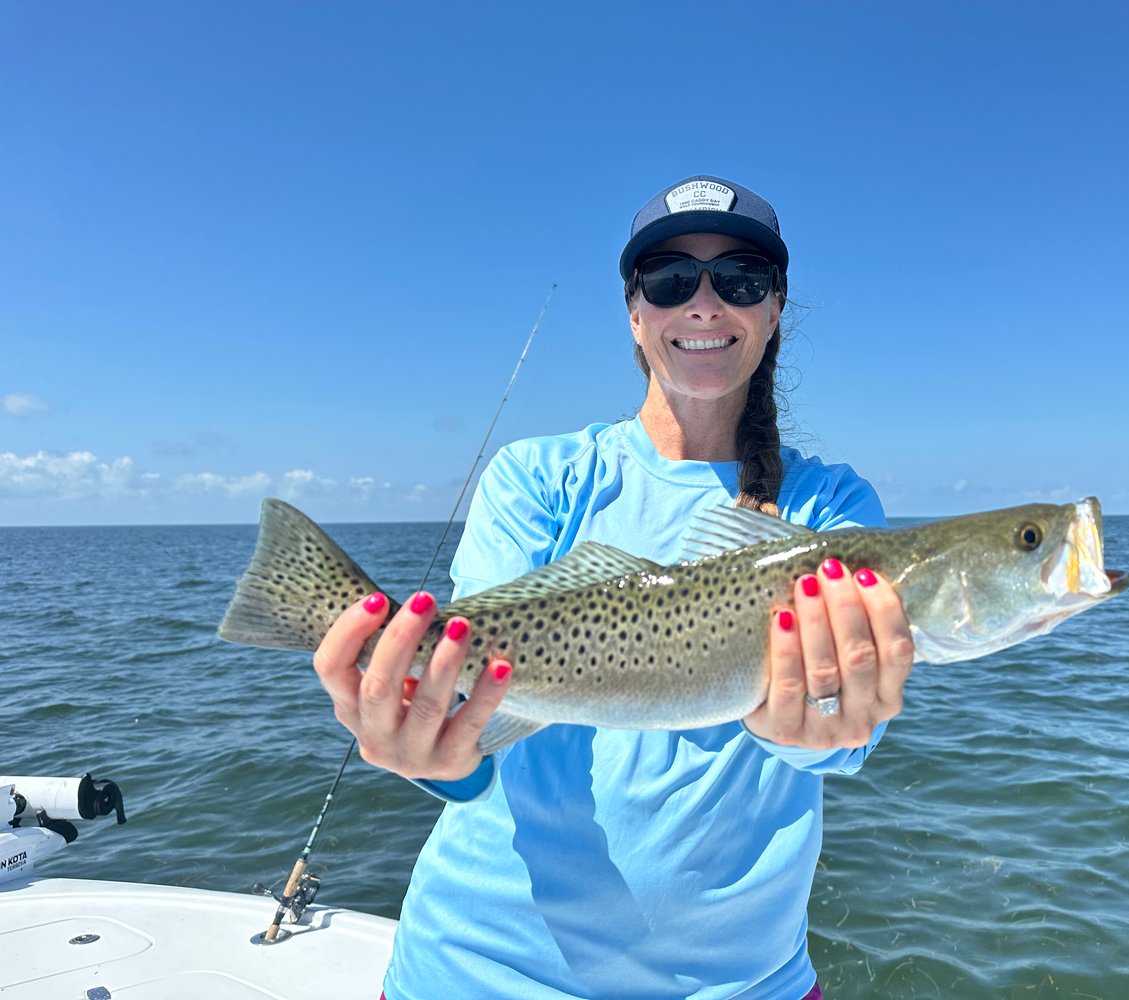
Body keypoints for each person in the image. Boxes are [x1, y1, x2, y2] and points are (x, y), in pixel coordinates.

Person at [313, 175, 916, 1000]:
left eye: (737, 280)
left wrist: (818, 731)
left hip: (741, 984)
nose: (703, 305)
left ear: (773, 311)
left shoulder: (830, 507)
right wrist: (430, 753)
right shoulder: (539, 477)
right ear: (635, 315)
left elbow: (844, 742)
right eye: (671, 280)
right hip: (479, 973)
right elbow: (467, 743)